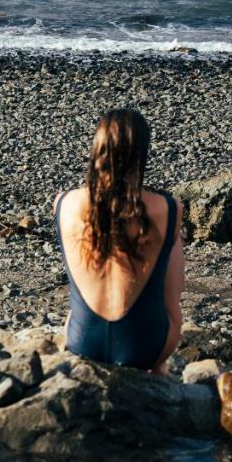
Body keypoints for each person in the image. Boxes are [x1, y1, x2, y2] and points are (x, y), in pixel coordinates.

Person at [53, 108, 184, 374]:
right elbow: (173, 299)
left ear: (97, 150)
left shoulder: (64, 202)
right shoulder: (167, 208)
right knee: (171, 248)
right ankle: (160, 374)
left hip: (82, 342)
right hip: (144, 348)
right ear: (141, 155)